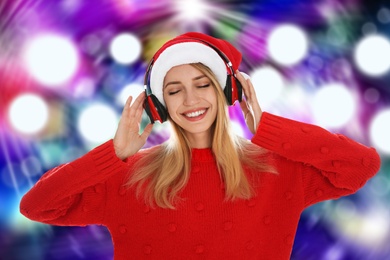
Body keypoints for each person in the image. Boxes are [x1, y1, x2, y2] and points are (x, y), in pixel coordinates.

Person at [20, 32, 381, 259]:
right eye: (174, 91)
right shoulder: (128, 174)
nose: (190, 99)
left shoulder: (278, 167)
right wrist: (112, 156)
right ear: (159, 107)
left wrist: (270, 129)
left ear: (228, 90)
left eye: (203, 84)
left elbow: (361, 166)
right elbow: (38, 206)